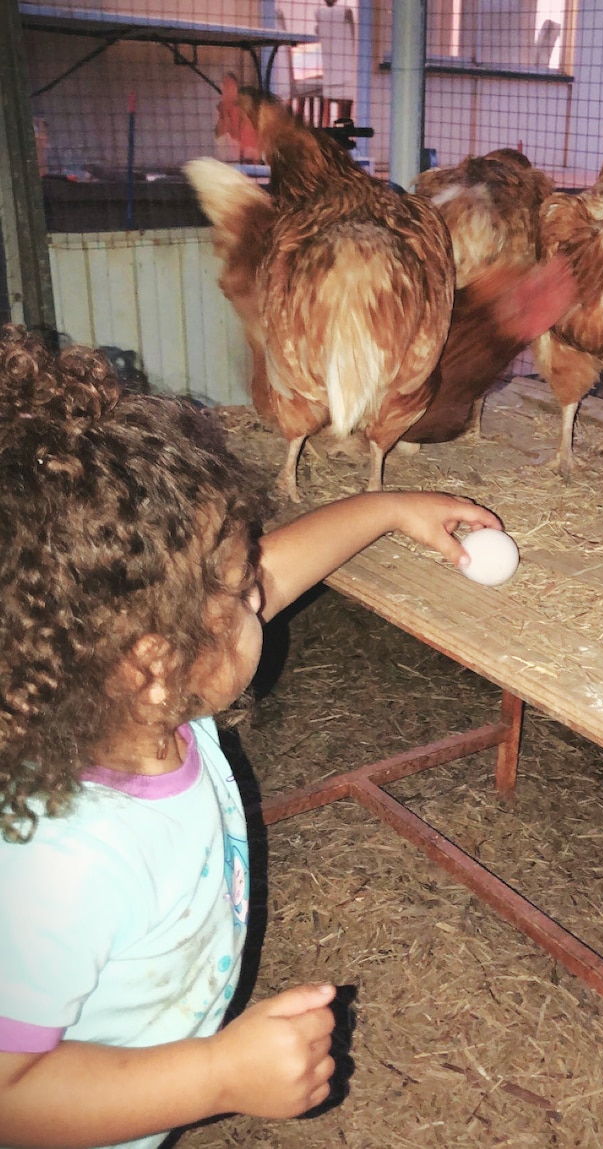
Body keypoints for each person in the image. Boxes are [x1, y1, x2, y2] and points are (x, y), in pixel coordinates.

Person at [0, 325, 502, 1149]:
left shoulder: (130, 698)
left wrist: (383, 511)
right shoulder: (64, 863)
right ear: (155, 658)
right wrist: (216, 1074)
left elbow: (277, 573)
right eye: (240, 590)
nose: (261, 593)